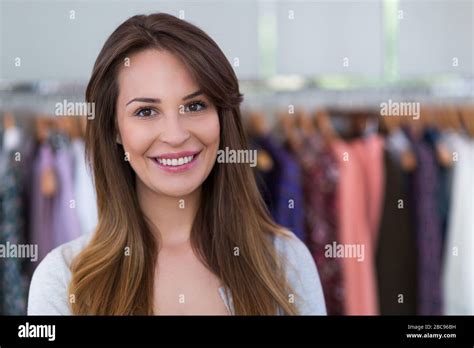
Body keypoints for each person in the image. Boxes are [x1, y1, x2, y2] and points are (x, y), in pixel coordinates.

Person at [28, 13, 326, 315]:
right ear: (114, 129)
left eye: (195, 106)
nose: (176, 135)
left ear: (222, 117)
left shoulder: (285, 262)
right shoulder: (63, 281)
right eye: (146, 112)